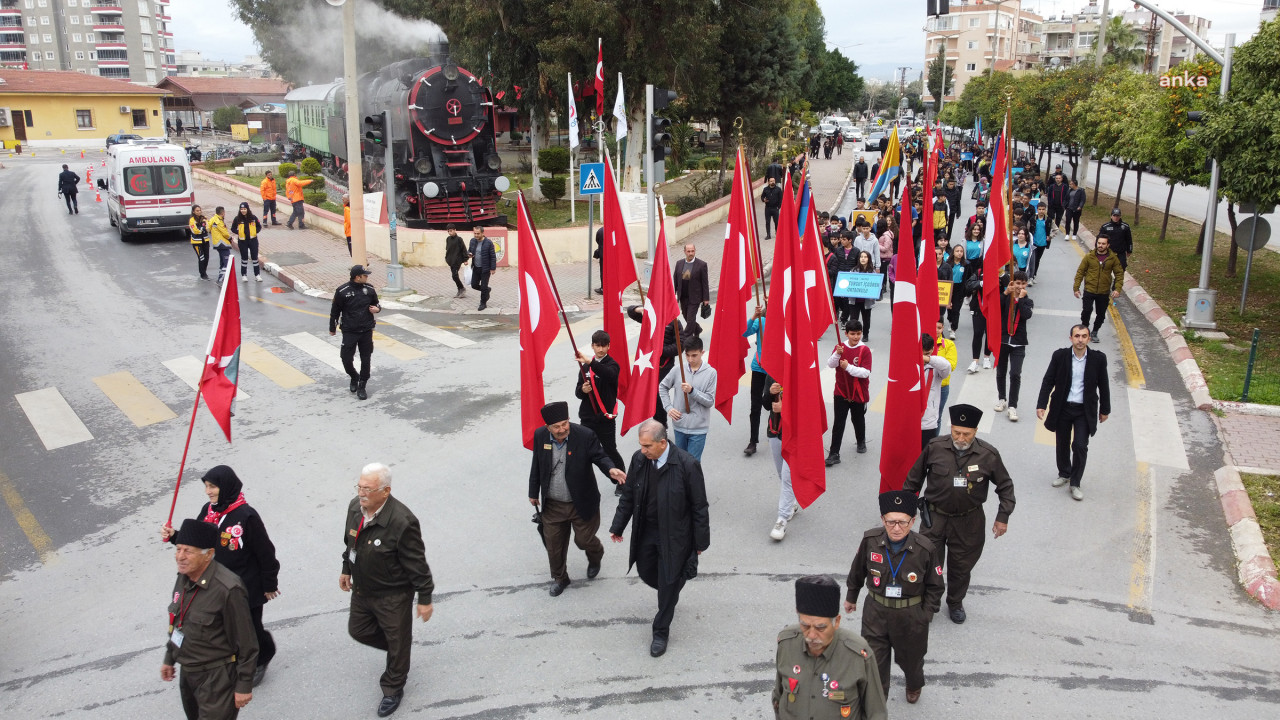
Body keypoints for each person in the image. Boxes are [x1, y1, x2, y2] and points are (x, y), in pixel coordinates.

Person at [161, 466, 280, 686]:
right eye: (206, 486)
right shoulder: (209, 511)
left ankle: (262, 657)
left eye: (213, 486)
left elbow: (265, 552)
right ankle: (235, 659)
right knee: (227, 627)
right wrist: (174, 537)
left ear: (226, 486)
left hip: (246, 587)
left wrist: (269, 583)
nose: (208, 491)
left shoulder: (246, 516)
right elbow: (196, 540)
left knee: (250, 628)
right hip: (215, 585)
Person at [903, 404, 1016, 624]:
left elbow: (1006, 487)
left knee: (961, 567)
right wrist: (906, 514)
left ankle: (955, 602)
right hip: (934, 518)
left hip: (968, 521)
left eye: (966, 434)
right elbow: (913, 480)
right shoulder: (935, 447)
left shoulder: (988, 455)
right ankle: (930, 602)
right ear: (951, 428)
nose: (961, 438)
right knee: (929, 563)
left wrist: (1003, 517)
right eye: (956, 432)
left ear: (975, 432)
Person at [609, 420, 710, 657]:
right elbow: (629, 494)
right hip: (647, 531)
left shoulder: (687, 465)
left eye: (647, 446)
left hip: (675, 536)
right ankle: (671, 588)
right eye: (641, 446)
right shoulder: (639, 459)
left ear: (662, 443)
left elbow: (699, 507)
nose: (643, 451)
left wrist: (700, 543)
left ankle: (661, 630)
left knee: (668, 583)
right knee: (646, 570)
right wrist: (618, 525)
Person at [340, 463, 434, 717]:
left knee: (397, 642)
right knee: (358, 630)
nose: (361, 493)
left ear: (385, 491)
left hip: (393, 595)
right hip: (362, 590)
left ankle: (393, 687)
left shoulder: (402, 521)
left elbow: (417, 563)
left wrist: (424, 597)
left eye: (367, 489)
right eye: (359, 486)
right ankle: (399, 650)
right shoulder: (354, 508)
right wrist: (346, 568)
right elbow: (350, 541)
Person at [843, 491, 944, 704]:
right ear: (882, 520)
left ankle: (914, 684)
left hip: (910, 616)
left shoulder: (925, 549)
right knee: (874, 664)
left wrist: (925, 615)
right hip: (876, 613)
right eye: (890, 522)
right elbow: (858, 570)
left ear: (913, 521)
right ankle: (878, 707)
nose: (896, 528)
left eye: (902, 522)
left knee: (911, 662)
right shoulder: (870, 540)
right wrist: (851, 596)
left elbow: (936, 586)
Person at [161, 519, 258, 719]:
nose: (180, 556)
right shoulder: (183, 577)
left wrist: (244, 684)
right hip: (188, 675)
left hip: (217, 678)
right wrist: (169, 657)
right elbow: (178, 622)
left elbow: (247, 641)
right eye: (178, 549)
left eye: (188, 551)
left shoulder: (228, 589)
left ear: (208, 555)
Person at [528, 401, 627, 595]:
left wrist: (610, 469)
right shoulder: (540, 436)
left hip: (581, 502)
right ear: (548, 427)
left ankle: (595, 554)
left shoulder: (584, 435)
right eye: (556, 426)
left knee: (583, 540)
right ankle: (560, 578)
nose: (562, 429)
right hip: (553, 505)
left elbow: (600, 456)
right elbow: (537, 465)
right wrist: (533, 492)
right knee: (553, 545)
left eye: (565, 423)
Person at [773, 576, 887, 720]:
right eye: (805, 626)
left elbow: (876, 713)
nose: (812, 635)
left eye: (821, 627)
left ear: (836, 622)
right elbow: (778, 696)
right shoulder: (786, 643)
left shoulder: (858, 654)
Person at [1036, 325, 1111, 501]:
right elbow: (1048, 380)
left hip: (1084, 410)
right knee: (1062, 442)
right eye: (1077, 336)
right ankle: (1064, 473)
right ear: (1070, 338)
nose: (1080, 339)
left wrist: (1105, 409)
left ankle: (1075, 482)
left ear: (1088, 339)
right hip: (1063, 407)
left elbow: (1104, 385)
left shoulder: (1098, 359)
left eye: (1084, 336)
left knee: (1079, 445)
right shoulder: (1060, 356)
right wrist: (1041, 404)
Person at [575, 331, 626, 482]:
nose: (601, 349)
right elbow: (578, 393)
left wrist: (591, 363)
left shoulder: (612, 365)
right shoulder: (585, 368)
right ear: (592, 346)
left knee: (610, 450)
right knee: (584, 451)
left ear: (609, 346)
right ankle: (584, 482)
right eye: (597, 346)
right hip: (587, 418)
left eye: (604, 346)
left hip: (605, 418)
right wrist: (583, 390)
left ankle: (621, 480)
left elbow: (608, 374)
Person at [658, 335, 716, 462]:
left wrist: (692, 391)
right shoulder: (678, 369)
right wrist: (668, 407)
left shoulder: (711, 373)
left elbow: (710, 401)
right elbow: (662, 386)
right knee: (679, 463)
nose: (690, 359)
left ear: (702, 353)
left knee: (692, 464)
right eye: (687, 355)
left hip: (699, 428)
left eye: (694, 355)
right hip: (679, 425)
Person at [329, 265, 381, 400]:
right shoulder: (342, 291)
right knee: (346, 358)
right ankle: (354, 376)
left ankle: (362, 385)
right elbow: (335, 311)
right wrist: (332, 327)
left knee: (366, 358)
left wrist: (377, 309)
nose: (367, 277)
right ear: (358, 277)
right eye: (365, 275)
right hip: (349, 330)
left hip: (366, 330)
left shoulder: (369, 289)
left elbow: (377, 304)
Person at [825, 320, 872, 466]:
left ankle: (861, 440)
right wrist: (837, 356)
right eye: (852, 334)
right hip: (841, 391)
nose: (856, 337)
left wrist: (848, 367)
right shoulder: (840, 347)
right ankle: (834, 453)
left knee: (858, 420)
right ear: (846, 334)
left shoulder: (865, 350)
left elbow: (865, 372)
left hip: (858, 393)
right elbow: (830, 364)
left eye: (858, 334)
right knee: (838, 422)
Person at [764, 377, 802, 541]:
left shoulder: (800, 374)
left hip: (794, 435)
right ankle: (791, 502)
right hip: (774, 431)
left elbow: (808, 406)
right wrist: (771, 394)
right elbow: (766, 405)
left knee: (787, 477)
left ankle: (781, 519)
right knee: (782, 474)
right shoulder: (771, 374)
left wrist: (785, 408)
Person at [994, 270, 1034, 422]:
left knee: (1015, 374)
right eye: (1018, 283)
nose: (1020, 286)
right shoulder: (1006, 297)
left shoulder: (1028, 301)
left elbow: (1026, 315)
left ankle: (1012, 406)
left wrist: (1021, 300)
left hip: (1019, 343)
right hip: (1003, 340)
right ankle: (1002, 398)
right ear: (1013, 283)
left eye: (1023, 284)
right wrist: (1005, 293)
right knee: (1001, 371)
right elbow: (996, 308)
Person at [1072, 234, 1124, 343]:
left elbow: (1119, 274)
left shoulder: (1113, 258)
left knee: (1101, 314)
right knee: (1086, 311)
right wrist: (1076, 288)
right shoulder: (1089, 256)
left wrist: (1117, 289)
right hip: (1089, 290)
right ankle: (1085, 328)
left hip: (1104, 291)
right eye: (1099, 243)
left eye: (1103, 244)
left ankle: (1095, 331)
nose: (1100, 245)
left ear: (1108, 245)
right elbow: (1080, 272)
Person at [920, 334, 952, 448]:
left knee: (926, 455)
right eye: (921, 354)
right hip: (910, 420)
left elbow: (947, 367)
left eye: (927, 354)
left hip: (928, 421)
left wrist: (928, 359)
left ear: (933, 349)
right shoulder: (910, 364)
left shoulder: (936, 366)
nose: (923, 358)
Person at [743, 306, 768, 457]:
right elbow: (745, 332)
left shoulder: (784, 322)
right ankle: (753, 441)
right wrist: (754, 316)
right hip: (759, 368)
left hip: (776, 369)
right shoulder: (761, 321)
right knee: (755, 406)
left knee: (773, 403)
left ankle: (778, 434)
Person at [673, 244, 710, 333]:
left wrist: (706, 298)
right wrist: (673, 293)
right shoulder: (679, 263)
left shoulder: (701, 265)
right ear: (685, 252)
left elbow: (705, 283)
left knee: (690, 319)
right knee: (685, 315)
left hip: (695, 297)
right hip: (683, 296)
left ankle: (686, 339)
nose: (691, 253)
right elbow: (675, 279)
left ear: (695, 251)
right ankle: (697, 329)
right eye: (688, 251)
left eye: (692, 251)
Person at [229, 202, 263, 283]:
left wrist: (255, 231)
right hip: (242, 241)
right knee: (244, 259)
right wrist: (239, 232)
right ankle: (244, 275)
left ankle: (257, 275)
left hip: (253, 240)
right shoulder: (237, 219)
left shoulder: (253, 218)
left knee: (255, 258)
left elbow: (259, 226)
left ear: (247, 209)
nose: (243, 211)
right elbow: (233, 228)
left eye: (244, 209)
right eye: (241, 209)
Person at [933, 320, 958, 428]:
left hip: (941, 387)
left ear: (943, 328)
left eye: (939, 328)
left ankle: (933, 444)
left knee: (936, 418)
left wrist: (930, 361)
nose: (936, 330)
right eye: (934, 327)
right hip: (924, 386)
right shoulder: (922, 342)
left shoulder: (949, 344)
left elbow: (951, 366)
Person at [468, 225, 496, 311]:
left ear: (483, 233)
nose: (476, 235)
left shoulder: (488, 243)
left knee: (483, 287)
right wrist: (469, 254)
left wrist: (493, 268)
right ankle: (487, 290)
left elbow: (493, 256)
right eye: (475, 233)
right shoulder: (472, 241)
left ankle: (483, 303)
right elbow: (469, 250)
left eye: (478, 234)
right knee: (474, 285)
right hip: (476, 267)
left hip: (485, 269)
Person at [946, 245, 967, 339]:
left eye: (961, 251)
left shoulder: (966, 265)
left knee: (956, 309)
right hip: (949, 287)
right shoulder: (948, 264)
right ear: (953, 252)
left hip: (959, 289)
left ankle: (954, 329)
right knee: (949, 308)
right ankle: (950, 321)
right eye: (957, 251)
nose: (959, 253)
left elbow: (967, 278)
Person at [209, 206, 233, 285]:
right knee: (226, 262)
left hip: (217, 243)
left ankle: (221, 278)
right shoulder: (219, 221)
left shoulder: (212, 219)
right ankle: (221, 279)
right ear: (222, 213)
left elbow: (208, 228)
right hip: (222, 243)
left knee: (222, 262)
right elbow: (224, 232)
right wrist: (230, 238)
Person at [444, 224, 468, 298]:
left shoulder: (459, 239)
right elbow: (448, 249)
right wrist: (447, 258)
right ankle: (460, 289)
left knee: (454, 275)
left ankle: (462, 288)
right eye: (448, 231)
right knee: (454, 276)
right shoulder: (448, 239)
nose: (450, 232)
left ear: (455, 230)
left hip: (457, 260)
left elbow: (464, 249)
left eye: (451, 231)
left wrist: (465, 259)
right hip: (451, 261)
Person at [188, 206, 211, 281]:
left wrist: (203, 229)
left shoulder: (204, 218)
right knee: (201, 258)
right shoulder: (192, 220)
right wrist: (202, 229)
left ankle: (204, 272)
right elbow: (195, 230)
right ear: (193, 212)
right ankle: (202, 274)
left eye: (200, 210)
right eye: (197, 211)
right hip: (196, 242)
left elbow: (208, 228)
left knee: (206, 257)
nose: (199, 212)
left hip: (205, 240)